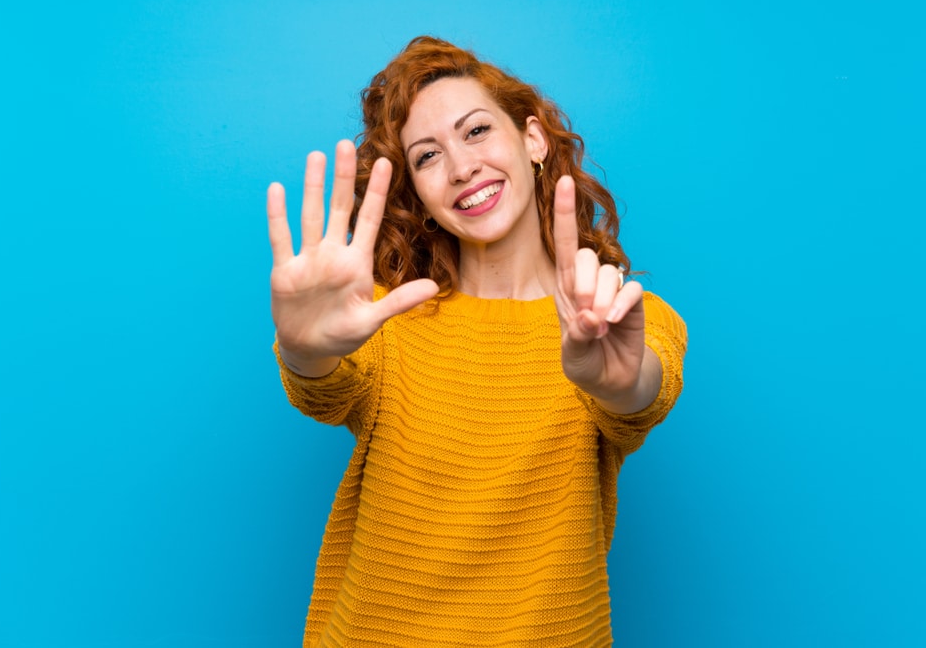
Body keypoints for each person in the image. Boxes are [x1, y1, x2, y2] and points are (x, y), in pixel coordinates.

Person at [267, 36, 687, 648]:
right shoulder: (390, 315)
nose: (461, 167)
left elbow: (643, 392)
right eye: (428, 156)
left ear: (534, 140)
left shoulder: (622, 314)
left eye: (476, 131)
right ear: (420, 194)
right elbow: (324, 391)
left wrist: (617, 381)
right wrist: (305, 350)